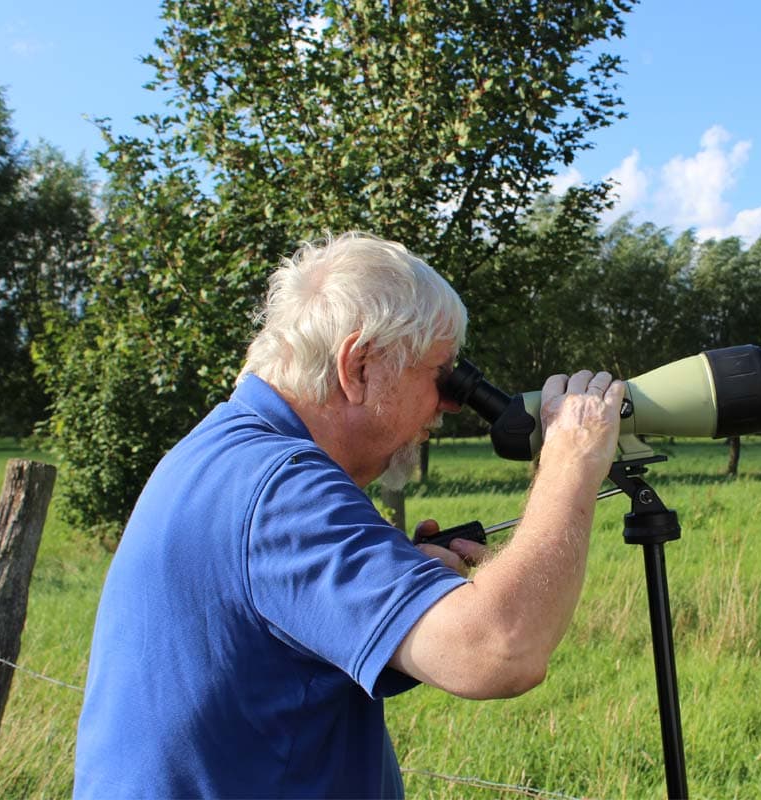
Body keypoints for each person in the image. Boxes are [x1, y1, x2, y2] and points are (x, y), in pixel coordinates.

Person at [73, 232, 625, 798]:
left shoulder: (225, 451)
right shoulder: (281, 487)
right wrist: (571, 457)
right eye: (441, 374)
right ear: (359, 366)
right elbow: (500, 651)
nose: (450, 403)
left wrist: (400, 581)